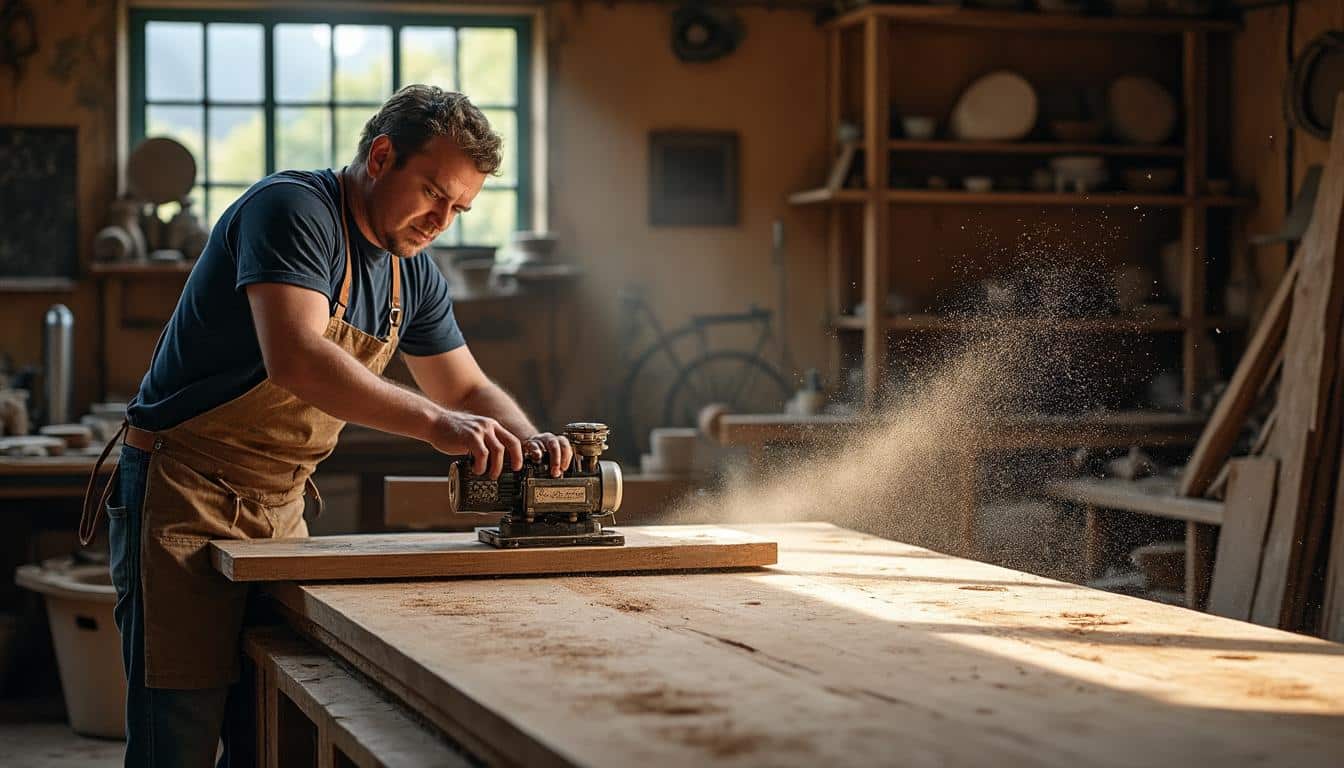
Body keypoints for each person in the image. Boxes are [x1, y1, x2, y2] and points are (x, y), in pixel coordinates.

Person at [79, 84, 571, 766]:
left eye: (459, 207)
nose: (441, 220)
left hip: (279, 506)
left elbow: (466, 385)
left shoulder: (413, 274)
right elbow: (297, 357)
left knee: (272, 724)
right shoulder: (293, 210)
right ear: (380, 155)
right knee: (180, 734)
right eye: (433, 192)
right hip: (181, 496)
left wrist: (529, 442)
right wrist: (438, 425)